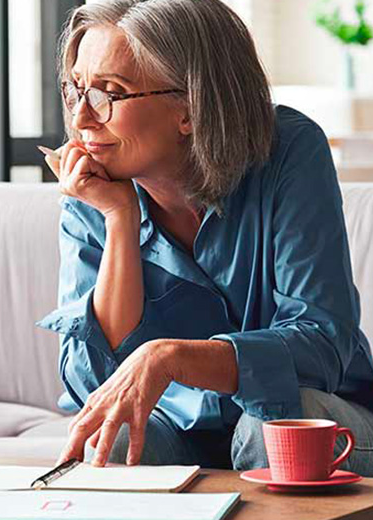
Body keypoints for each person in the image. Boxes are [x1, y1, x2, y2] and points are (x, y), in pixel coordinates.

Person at [37, 0, 373, 474]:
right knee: (110, 441)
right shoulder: (94, 188)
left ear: (190, 108)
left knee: (269, 426)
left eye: (109, 93)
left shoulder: (290, 152)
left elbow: (323, 343)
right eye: (76, 91)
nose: (82, 120)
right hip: (181, 429)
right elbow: (95, 384)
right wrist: (119, 220)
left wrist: (173, 357)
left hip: (319, 415)